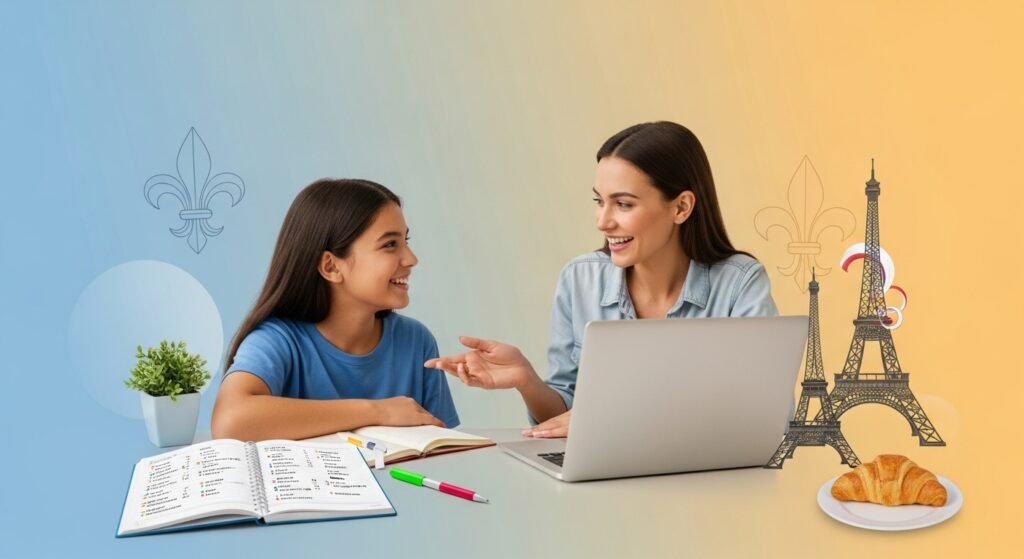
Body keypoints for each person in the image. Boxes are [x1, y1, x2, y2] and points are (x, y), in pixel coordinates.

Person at [426, 121, 777, 438]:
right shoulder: (580, 280)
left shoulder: (739, 285)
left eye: (623, 204)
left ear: (681, 207)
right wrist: (526, 379)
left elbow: (767, 416)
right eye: (599, 201)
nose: (602, 221)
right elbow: (563, 420)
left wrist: (620, 421)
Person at [212, 178, 458, 441]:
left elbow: (439, 446)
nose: (411, 259)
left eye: (405, 240)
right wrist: (377, 411)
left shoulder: (416, 342)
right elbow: (230, 421)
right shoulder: (277, 341)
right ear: (331, 267)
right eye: (389, 244)